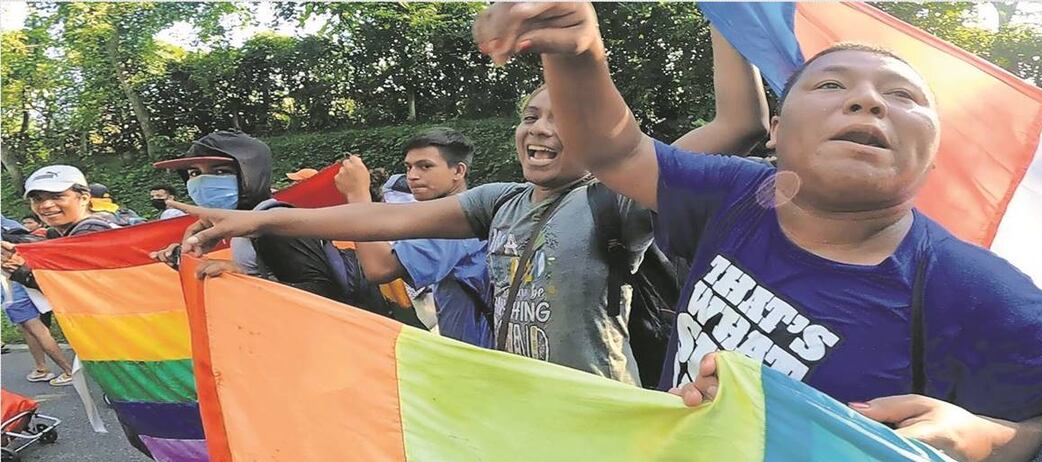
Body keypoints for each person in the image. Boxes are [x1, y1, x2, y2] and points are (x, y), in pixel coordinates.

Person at [472, 2, 1042, 462]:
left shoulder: (981, 294)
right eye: (832, 87)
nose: (867, 100)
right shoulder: (739, 196)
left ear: (932, 156)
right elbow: (614, 151)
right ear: (778, 133)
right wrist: (577, 50)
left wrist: (992, 439)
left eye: (903, 97)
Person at [164, 34, 769, 385]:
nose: (539, 129)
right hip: (514, 402)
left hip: (600, 411)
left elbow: (740, 125)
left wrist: (728, 19)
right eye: (531, 116)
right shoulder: (497, 201)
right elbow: (384, 221)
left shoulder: (614, 199)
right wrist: (261, 218)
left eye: (563, 117)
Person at [151, 130, 389, 315]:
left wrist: (247, 281)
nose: (203, 181)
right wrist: (185, 257)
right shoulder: (242, 222)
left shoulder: (273, 224)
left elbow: (323, 294)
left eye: (221, 171)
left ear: (251, 175)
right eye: (194, 173)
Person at [335, 128, 493, 347]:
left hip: (480, 360)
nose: (412, 176)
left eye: (425, 166)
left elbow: (380, 268)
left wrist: (357, 196)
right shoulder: (464, 211)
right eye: (408, 167)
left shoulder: (455, 221)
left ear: (458, 171)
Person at [2, 165, 118, 291]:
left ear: (84, 198)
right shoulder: (100, 222)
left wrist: (22, 270)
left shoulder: (91, 234)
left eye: (57, 196)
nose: (46, 205)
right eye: (37, 199)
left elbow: (80, 290)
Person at [1, 279, 74, 386]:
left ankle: (69, 371)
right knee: (28, 328)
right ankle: (41, 368)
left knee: (37, 330)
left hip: (12, 291)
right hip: (26, 283)